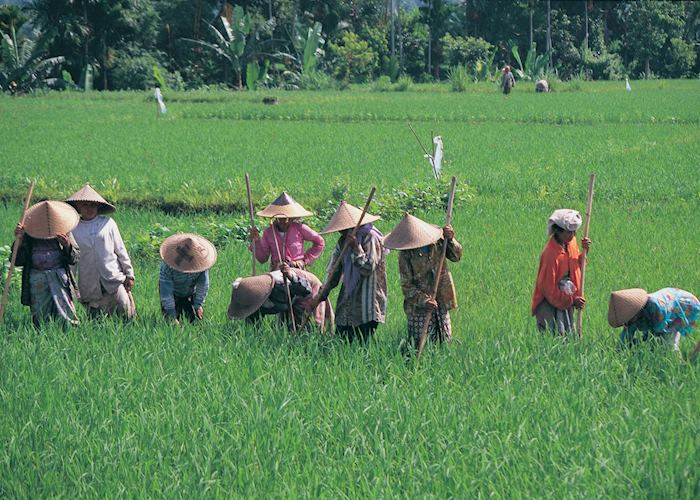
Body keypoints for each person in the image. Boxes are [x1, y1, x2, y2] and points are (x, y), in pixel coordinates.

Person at [383, 213, 462, 350]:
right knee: (420, 344)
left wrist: (450, 239)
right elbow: (407, 286)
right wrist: (425, 301)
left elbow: (457, 256)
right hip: (419, 306)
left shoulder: (438, 242)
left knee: (445, 341)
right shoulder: (406, 255)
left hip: (441, 297)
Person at [315, 201, 387, 342]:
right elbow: (334, 271)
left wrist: (356, 248)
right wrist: (320, 295)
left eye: (342, 228)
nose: (340, 231)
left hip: (367, 303)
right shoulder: (343, 241)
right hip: (348, 301)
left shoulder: (371, 237)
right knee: (342, 341)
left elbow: (367, 268)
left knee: (362, 342)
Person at [66, 184, 135, 319]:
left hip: (113, 278)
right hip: (89, 281)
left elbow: (120, 250)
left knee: (126, 315)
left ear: (98, 206)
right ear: (78, 207)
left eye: (92, 205)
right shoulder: (73, 228)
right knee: (95, 320)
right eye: (85, 205)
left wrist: (129, 274)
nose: (89, 208)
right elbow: (72, 260)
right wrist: (70, 285)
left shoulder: (108, 223)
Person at [11, 201, 81, 327]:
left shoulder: (64, 231)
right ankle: (42, 333)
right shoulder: (28, 234)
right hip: (37, 277)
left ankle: (70, 332)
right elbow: (16, 261)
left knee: (66, 312)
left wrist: (67, 245)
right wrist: (19, 240)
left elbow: (74, 258)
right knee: (40, 315)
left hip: (59, 277)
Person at [532, 209, 592, 334]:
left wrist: (585, 251)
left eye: (575, 231)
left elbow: (576, 265)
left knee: (568, 334)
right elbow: (547, 288)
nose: (574, 235)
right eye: (569, 232)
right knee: (552, 335)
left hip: (566, 296)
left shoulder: (571, 242)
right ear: (558, 232)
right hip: (549, 303)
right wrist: (570, 300)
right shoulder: (550, 254)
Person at [228, 265, 333, 331]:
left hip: (306, 289)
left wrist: (291, 277)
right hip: (290, 296)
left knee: (308, 326)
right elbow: (253, 318)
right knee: (286, 325)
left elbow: (306, 290)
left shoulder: (279, 285)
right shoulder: (254, 296)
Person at [250, 192, 324, 271]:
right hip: (277, 269)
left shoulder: (300, 228)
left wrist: (305, 260)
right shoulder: (268, 233)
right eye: (279, 218)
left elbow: (319, 242)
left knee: (312, 283)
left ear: (293, 218)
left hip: (296, 268)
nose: (282, 221)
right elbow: (263, 259)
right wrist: (256, 241)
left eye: (286, 219)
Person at [609, 288, 699, 353]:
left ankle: (676, 363)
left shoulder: (655, 306)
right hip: (668, 302)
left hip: (682, 305)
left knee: (668, 342)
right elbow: (626, 335)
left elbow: (659, 330)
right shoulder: (631, 316)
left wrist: (645, 341)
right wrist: (619, 350)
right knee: (653, 343)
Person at [159, 233, 217, 324]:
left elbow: (203, 285)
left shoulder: (200, 267)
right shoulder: (167, 268)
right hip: (173, 294)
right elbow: (166, 293)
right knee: (170, 322)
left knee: (195, 321)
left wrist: (198, 305)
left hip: (191, 294)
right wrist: (171, 315)